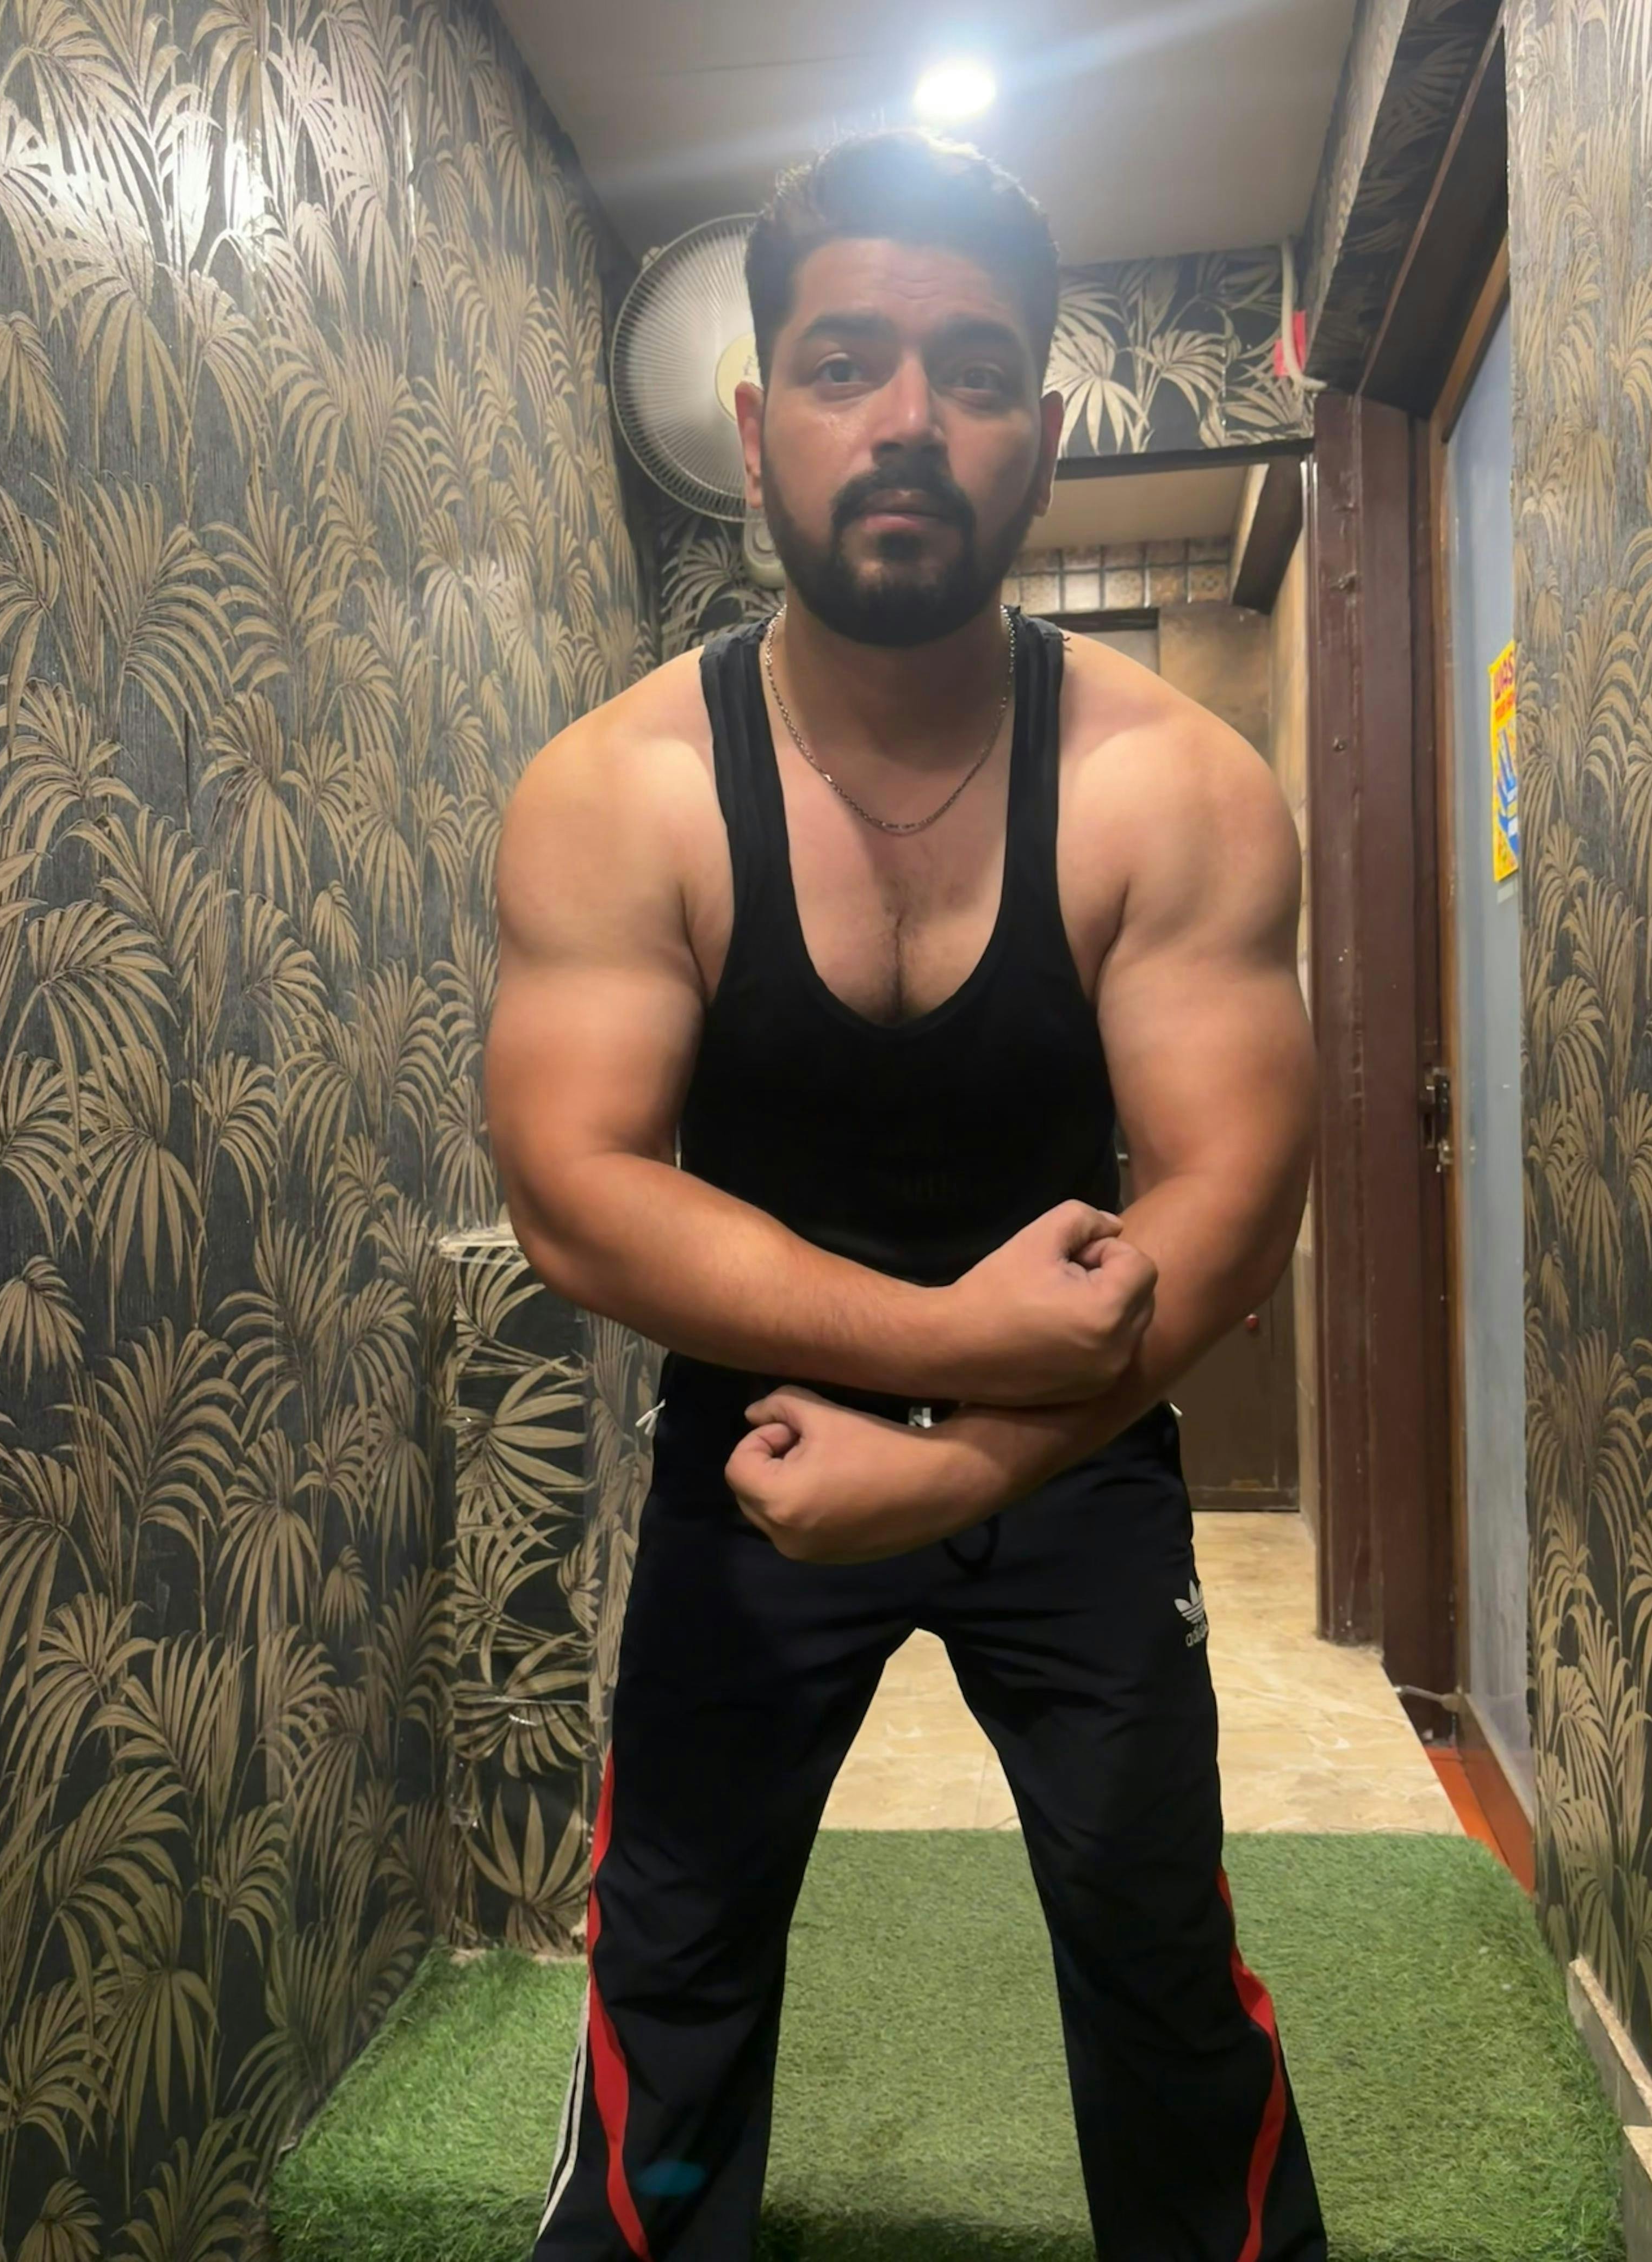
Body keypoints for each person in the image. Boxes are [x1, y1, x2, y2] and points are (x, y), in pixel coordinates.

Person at [487, 128, 1323, 2262]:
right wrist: (951, 1350)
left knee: (1158, 1949)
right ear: (757, 420)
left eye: (970, 372)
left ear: (1041, 435)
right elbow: (577, 1191)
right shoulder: (621, 791)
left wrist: (965, 1455)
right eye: (847, 363)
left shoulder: (1173, 787)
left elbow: (1233, 1194)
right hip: (761, 1450)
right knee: (668, 1963)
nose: (907, 419)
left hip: (1081, 1439)